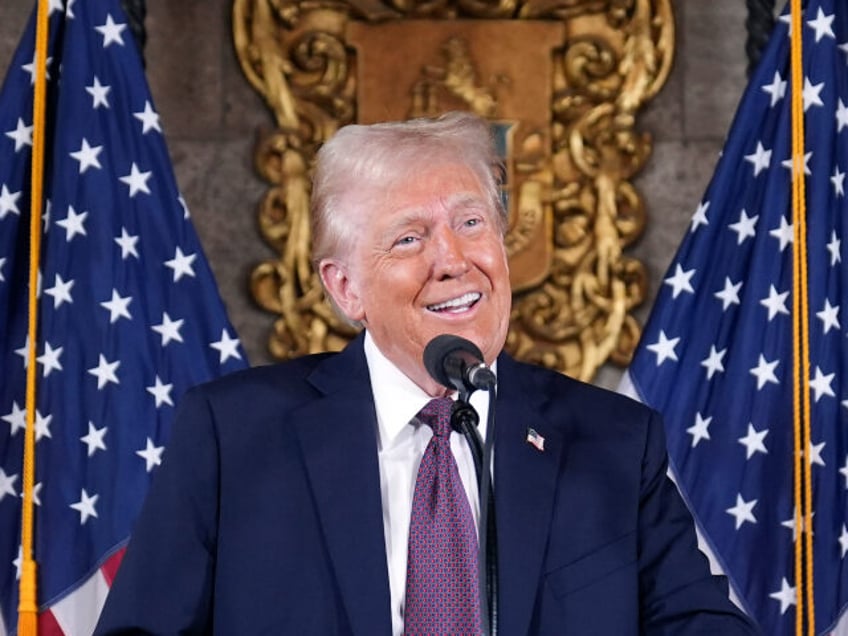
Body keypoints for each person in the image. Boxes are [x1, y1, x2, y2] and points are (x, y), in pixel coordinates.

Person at [95, 112, 759, 634]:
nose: (454, 259)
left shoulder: (613, 442)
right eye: (410, 237)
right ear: (346, 287)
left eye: (472, 222)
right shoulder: (233, 437)